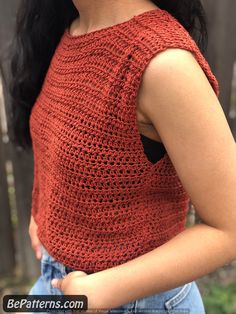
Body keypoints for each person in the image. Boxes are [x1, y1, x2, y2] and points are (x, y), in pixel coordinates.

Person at [8, 0, 236, 313]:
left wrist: (104, 289)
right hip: (57, 285)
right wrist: (43, 217)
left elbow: (229, 229)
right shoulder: (72, 30)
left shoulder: (163, 62)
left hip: (132, 303)